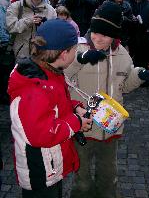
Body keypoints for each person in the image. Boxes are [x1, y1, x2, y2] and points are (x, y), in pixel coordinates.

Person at [64, 1, 149, 198]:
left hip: (110, 128)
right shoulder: (77, 49)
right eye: (95, 32)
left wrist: (139, 76)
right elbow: (62, 79)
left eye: (104, 35)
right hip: (84, 126)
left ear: (114, 35)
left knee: (108, 178)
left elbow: (124, 85)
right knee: (82, 181)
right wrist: (79, 61)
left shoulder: (123, 54)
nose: (97, 37)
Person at [7, 19, 92, 198]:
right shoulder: (34, 88)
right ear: (63, 53)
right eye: (74, 50)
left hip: (51, 164)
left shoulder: (50, 72)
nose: (76, 54)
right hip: (41, 171)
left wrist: (74, 108)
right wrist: (76, 122)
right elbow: (42, 133)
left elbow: (54, 106)